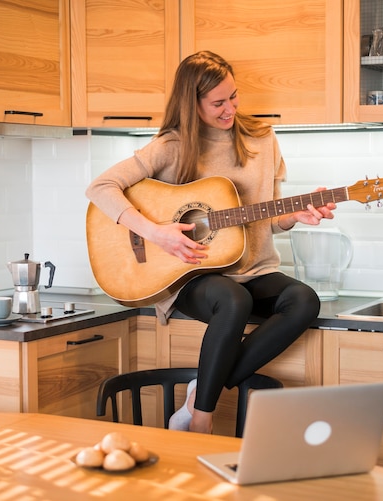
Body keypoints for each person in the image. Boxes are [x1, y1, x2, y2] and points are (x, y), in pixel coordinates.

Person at [86, 51, 336, 434]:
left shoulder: (262, 138)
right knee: (234, 300)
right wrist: (155, 232)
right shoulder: (170, 145)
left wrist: (294, 216)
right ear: (192, 104)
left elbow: (266, 216)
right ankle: (202, 417)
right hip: (189, 272)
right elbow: (100, 187)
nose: (230, 109)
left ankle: (201, 390)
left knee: (304, 301)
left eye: (233, 97)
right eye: (218, 102)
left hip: (254, 266)